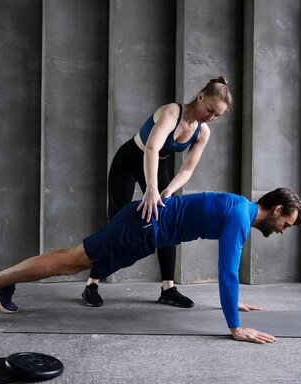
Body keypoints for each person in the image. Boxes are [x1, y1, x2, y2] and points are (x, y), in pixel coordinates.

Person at [0, 187, 301, 344]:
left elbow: (228, 271)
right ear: (276, 210)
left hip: (144, 229)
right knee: (69, 263)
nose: (282, 230)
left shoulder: (240, 208)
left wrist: (233, 302)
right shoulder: (240, 216)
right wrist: (235, 326)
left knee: (70, 260)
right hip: (141, 226)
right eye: (286, 224)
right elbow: (229, 271)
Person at [84, 76, 233, 309]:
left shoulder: (202, 132)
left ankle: (168, 289)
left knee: (167, 220)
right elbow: (151, 147)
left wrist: (167, 191)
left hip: (157, 164)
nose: (211, 117)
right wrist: (151, 189)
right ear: (201, 97)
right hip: (130, 160)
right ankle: (92, 284)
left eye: (217, 116)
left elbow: (187, 169)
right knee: (115, 223)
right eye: (210, 110)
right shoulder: (172, 113)